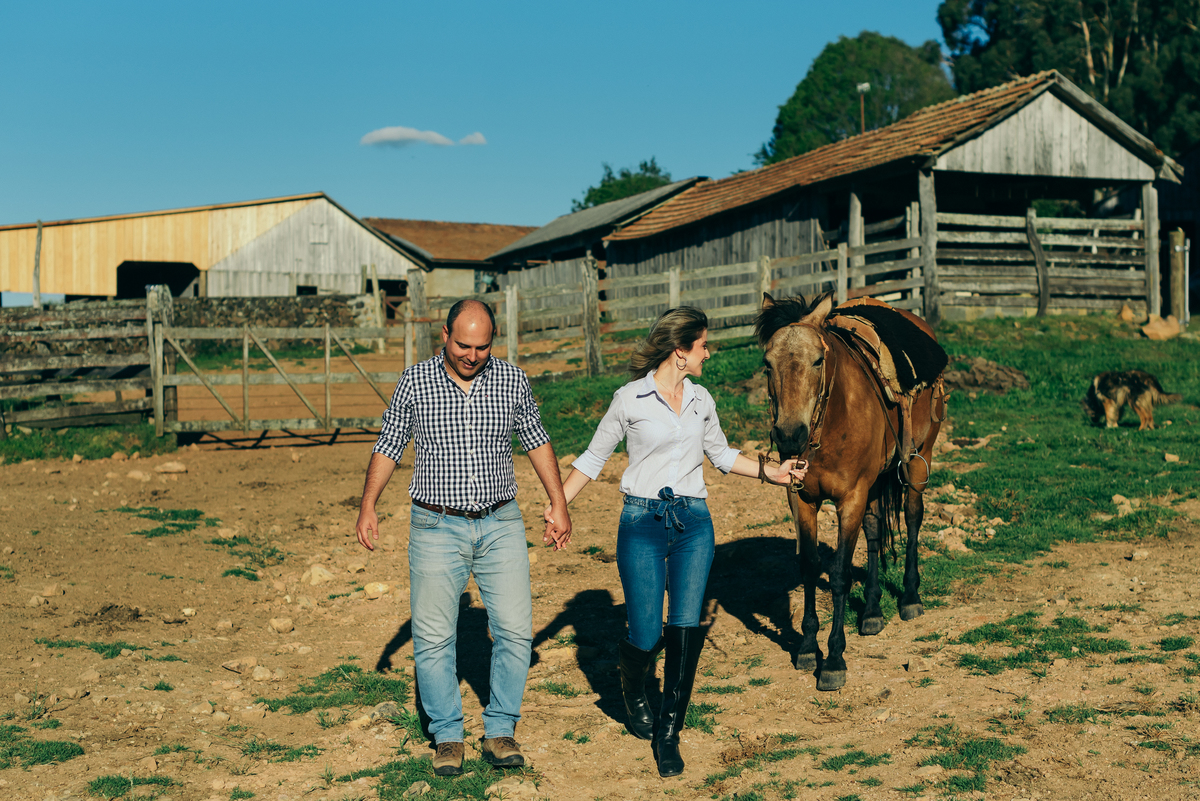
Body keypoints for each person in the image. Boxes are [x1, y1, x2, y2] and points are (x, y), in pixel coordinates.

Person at [546, 306, 805, 778]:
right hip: (641, 522)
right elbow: (592, 457)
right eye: (703, 344)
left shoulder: (702, 399)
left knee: (686, 627)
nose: (710, 351)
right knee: (646, 634)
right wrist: (558, 505)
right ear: (680, 350)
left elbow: (722, 454)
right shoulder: (629, 399)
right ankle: (632, 687)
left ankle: (670, 731)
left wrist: (774, 473)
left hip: (694, 523)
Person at [356, 299, 571, 777]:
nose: (472, 355)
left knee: (516, 631)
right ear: (445, 336)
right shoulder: (416, 381)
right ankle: (447, 735)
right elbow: (390, 443)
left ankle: (500, 730)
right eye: (463, 345)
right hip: (435, 524)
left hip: (500, 522)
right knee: (434, 639)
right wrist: (368, 505)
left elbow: (536, 439)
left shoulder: (512, 380)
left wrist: (558, 501)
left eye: (482, 346)